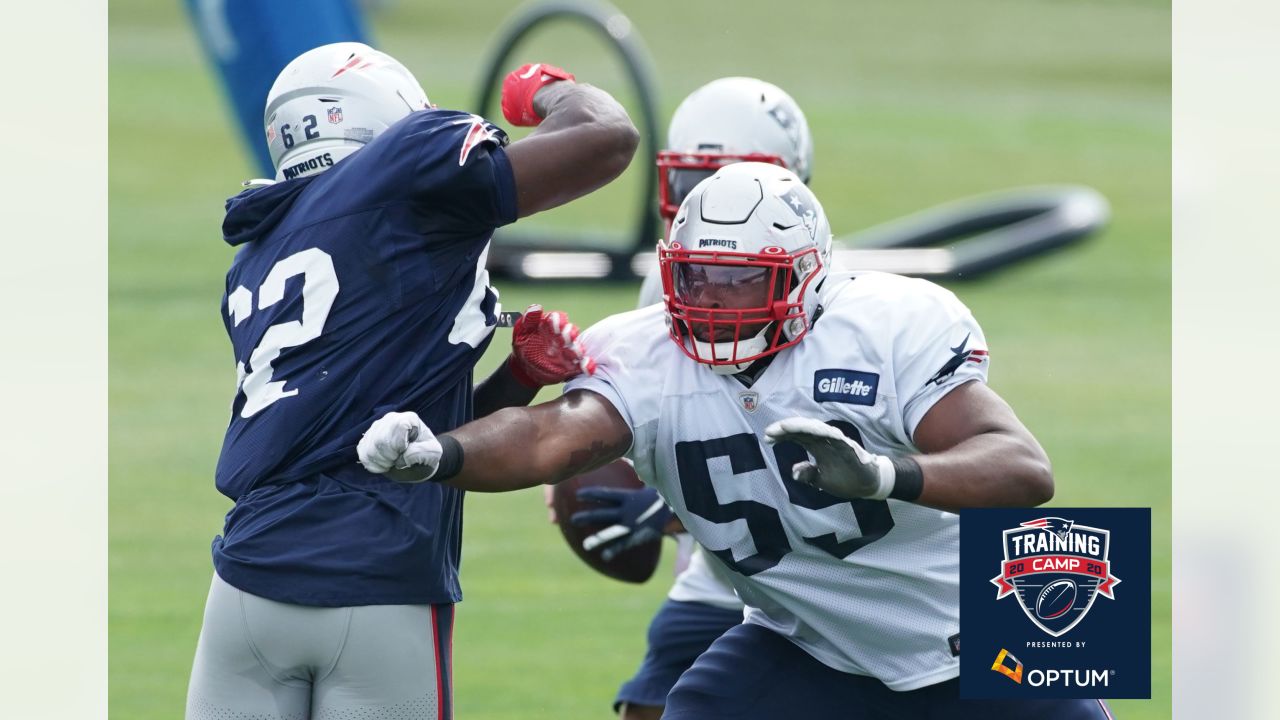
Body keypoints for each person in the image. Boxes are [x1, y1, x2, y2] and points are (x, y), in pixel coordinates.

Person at [357, 162, 1114, 719]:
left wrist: (886, 476)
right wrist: (441, 454)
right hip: (809, 639)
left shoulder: (887, 327)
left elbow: (1025, 470)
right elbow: (553, 437)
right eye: (696, 276)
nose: (710, 299)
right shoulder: (645, 350)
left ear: (806, 277)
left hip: (983, 617)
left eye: (738, 278)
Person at [184, 42, 638, 720]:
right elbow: (607, 138)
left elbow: (402, 439)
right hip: (378, 577)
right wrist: (547, 89)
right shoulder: (408, 165)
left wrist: (517, 377)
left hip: (246, 590)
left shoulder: (259, 251)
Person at [549, 77, 814, 720]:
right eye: (693, 184)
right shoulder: (670, 284)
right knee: (656, 702)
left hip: (846, 574)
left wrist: (673, 509)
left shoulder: (862, 310)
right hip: (732, 573)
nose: (715, 206)